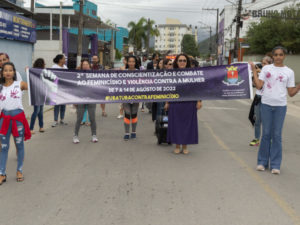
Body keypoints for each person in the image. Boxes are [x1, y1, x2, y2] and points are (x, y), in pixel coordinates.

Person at [251, 46, 300, 174]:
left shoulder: (289, 72)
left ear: (284, 56)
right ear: (273, 56)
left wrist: (299, 86)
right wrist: (254, 71)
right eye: (276, 55)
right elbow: (259, 85)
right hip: (266, 105)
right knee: (266, 134)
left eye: (281, 55)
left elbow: (291, 93)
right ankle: (262, 162)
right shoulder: (266, 68)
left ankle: (275, 165)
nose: (278, 57)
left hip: (280, 107)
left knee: (277, 136)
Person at [164, 54, 202, 155]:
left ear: (187, 62)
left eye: (184, 61)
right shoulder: (171, 74)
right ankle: (177, 145)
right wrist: (167, 102)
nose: (182, 62)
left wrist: (199, 101)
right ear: (176, 62)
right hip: (175, 103)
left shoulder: (193, 74)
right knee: (175, 124)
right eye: (180, 60)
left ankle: (185, 146)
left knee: (187, 125)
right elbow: (169, 89)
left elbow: (198, 88)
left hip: (189, 103)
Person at [0, 62, 31, 185]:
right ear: (2, 72)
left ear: (14, 72)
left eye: (10, 70)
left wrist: (30, 73)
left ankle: (19, 170)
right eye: (5, 70)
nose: (8, 72)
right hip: (4, 120)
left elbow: (34, 86)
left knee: (19, 146)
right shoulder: (0, 87)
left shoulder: (20, 85)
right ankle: (2, 173)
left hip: (18, 120)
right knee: (4, 147)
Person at [249, 56, 273, 146]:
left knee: (268, 121)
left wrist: (260, 71)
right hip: (259, 98)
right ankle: (256, 139)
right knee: (257, 120)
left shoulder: (272, 73)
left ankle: (268, 139)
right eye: (262, 63)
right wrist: (255, 75)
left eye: (265, 63)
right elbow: (256, 85)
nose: (263, 65)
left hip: (268, 99)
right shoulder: (259, 73)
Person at [73, 59, 98, 144]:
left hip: (91, 99)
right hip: (81, 99)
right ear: (81, 66)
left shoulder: (94, 75)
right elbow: (74, 88)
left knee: (92, 118)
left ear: (89, 66)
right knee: (79, 118)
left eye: (87, 64)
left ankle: (94, 135)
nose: (85, 66)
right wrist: (74, 100)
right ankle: (75, 136)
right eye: (83, 64)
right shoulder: (77, 75)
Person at [123, 55, 140, 140]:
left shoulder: (139, 72)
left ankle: (133, 131)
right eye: (130, 61)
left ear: (135, 63)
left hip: (136, 96)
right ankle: (126, 132)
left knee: (134, 114)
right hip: (126, 96)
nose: (131, 63)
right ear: (127, 62)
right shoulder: (123, 72)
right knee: (127, 114)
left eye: (133, 61)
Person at [29, 58, 46, 134]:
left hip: (42, 93)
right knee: (36, 111)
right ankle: (31, 128)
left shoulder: (43, 72)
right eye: (44, 63)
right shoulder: (33, 71)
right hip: (36, 94)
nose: (45, 64)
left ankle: (41, 127)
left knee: (40, 111)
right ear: (42, 64)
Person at [51, 54, 68, 127]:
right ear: (60, 60)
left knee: (63, 105)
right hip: (56, 89)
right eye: (64, 59)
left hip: (63, 89)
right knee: (57, 105)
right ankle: (55, 120)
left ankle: (62, 119)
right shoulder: (54, 67)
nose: (65, 60)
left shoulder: (65, 67)